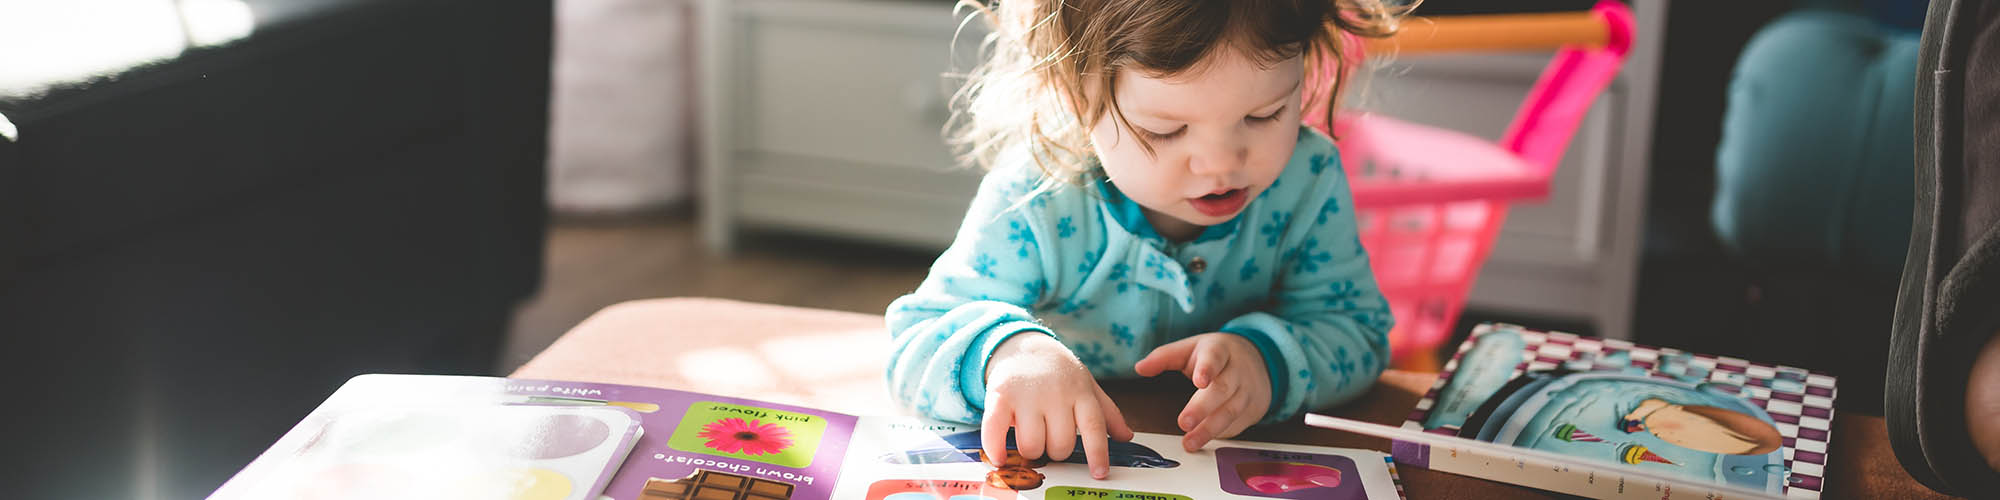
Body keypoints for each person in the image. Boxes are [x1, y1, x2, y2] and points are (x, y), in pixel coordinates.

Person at [884, 0, 1406, 480]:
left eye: (1264, 115)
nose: (1220, 163)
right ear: (1073, 96)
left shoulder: (1307, 180)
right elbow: (916, 339)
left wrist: (1266, 360)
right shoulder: (1037, 197)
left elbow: (1357, 331)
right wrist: (1008, 353)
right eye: (1165, 130)